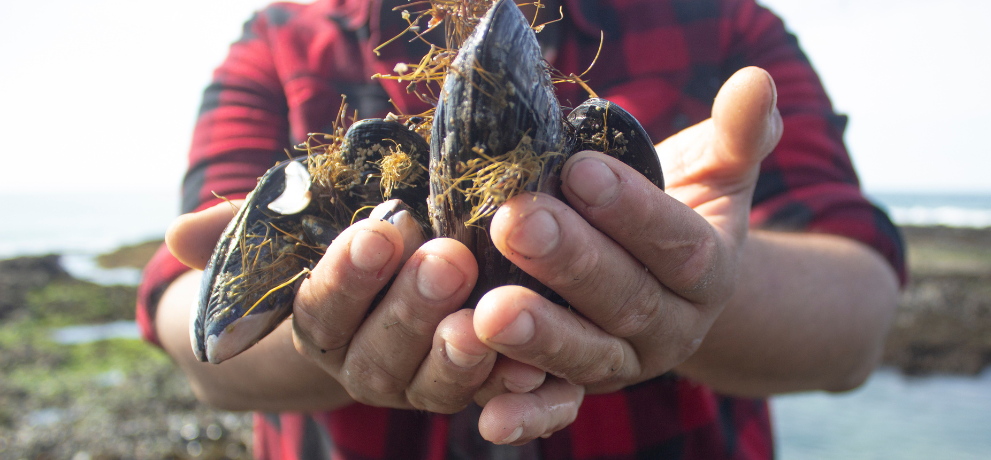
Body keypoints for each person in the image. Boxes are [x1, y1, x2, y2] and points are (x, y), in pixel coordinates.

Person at [137, 0, 905, 458]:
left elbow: (860, 314)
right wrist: (320, 315)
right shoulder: (282, 39)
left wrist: (686, 276)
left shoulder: (719, 21)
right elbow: (191, 324)